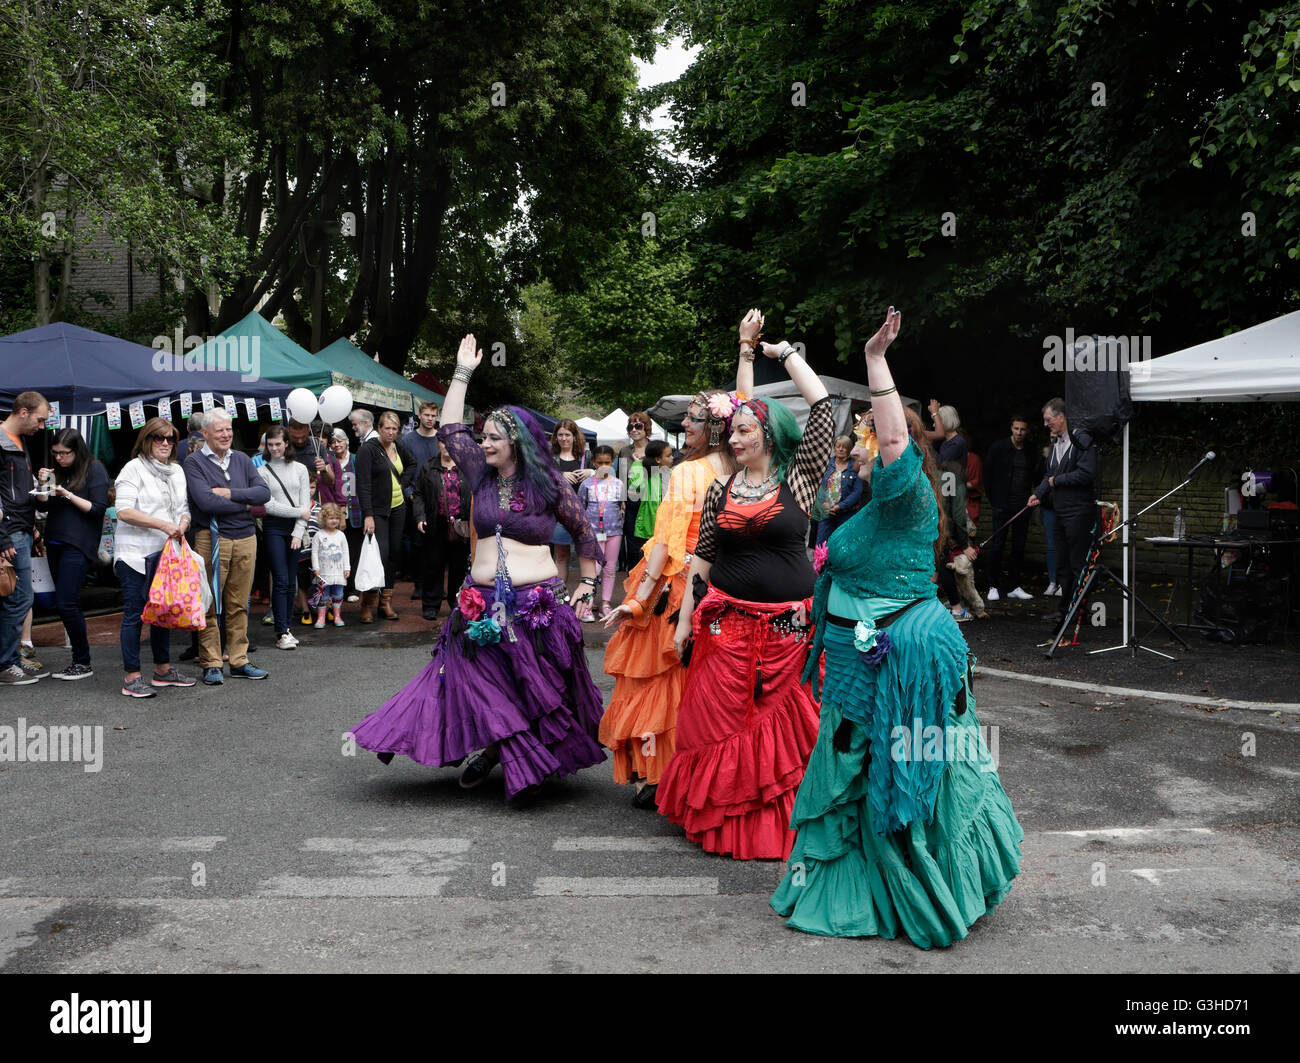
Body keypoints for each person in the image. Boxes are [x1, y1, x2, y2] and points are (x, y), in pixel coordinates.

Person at [771, 307, 1023, 947]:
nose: (859, 443)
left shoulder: (902, 491)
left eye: (870, 437)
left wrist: (876, 362)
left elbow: (888, 441)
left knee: (906, 764)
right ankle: (860, 882)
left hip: (897, 654)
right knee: (863, 764)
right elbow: (824, 413)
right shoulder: (856, 505)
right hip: (856, 657)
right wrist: (786, 358)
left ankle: (920, 886)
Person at [347, 334, 606, 802]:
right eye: (483, 436)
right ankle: (498, 750)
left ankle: (509, 755)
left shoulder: (548, 483)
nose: (482, 442)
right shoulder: (480, 475)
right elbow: (449, 428)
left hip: (536, 604)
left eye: (492, 437)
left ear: (516, 443)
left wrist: (587, 583)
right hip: (479, 602)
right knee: (482, 685)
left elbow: (584, 531)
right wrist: (462, 372)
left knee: (531, 688)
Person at [658, 318, 833, 860]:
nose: (733, 437)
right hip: (725, 621)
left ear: (769, 435)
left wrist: (779, 352)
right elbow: (703, 559)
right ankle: (722, 819)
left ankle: (779, 821)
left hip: (787, 625)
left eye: (743, 430)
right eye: (730, 431)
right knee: (718, 719)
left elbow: (822, 409)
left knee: (778, 721)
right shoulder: (720, 488)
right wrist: (686, 620)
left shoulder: (799, 479)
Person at [601, 316, 754, 808]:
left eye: (690, 418)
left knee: (661, 677)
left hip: (678, 586)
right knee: (699, 681)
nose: (682, 424)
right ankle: (696, 772)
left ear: (710, 427)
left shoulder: (688, 473)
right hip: (724, 583)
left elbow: (665, 545)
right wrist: (745, 349)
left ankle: (659, 773)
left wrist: (639, 601)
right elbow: (746, 410)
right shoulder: (737, 465)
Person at [184, 407, 271, 684]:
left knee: (238, 603)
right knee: (209, 603)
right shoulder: (194, 463)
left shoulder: (243, 459)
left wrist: (231, 495)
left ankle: (239, 660)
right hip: (211, 538)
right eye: (220, 430)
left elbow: (264, 494)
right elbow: (206, 502)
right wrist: (246, 505)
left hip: (245, 537)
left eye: (229, 429)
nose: (226, 434)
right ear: (205, 433)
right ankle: (211, 662)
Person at [113, 418, 197, 697]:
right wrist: (163, 525)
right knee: (135, 615)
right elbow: (123, 510)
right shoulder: (133, 468)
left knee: (163, 613)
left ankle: (162, 670)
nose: (164, 443)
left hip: (165, 555)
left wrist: (182, 523)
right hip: (134, 554)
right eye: (158, 438)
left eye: (170, 439)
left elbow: (183, 508)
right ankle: (131, 677)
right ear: (146, 440)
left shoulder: (176, 471)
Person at [41, 428, 110, 680]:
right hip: (55, 540)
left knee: (66, 602)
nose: (59, 458)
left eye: (64, 453)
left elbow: (98, 509)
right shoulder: (58, 471)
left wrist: (66, 493)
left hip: (79, 543)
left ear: (77, 450)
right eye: (55, 453)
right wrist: (45, 485)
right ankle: (80, 661)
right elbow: (45, 504)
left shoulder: (94, 469)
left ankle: (82, 661)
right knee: (64, 602)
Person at [1028, 397, 1098, 623]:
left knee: (1078, 563)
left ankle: (1080, 611)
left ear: (1061, 417)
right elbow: (1049, 474)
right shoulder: (1056, 443)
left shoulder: (1082, 440)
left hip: (1079, 512)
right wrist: (1037, 494)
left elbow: (1087, 474)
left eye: (1049, 420)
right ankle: (1064, 609)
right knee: (1062, 563)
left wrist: (1057, 481)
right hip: (1060, 511)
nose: (1046, 424)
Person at [0, 391, 52, 686]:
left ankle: (11, 659)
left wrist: (31, 523)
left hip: (19, 529)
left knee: (18, 598)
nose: (41, 426)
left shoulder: (20, 444)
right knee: (19, 598)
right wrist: (3, 537)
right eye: (40, 419)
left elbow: (18, 493)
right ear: (22, 412)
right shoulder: (3, 442)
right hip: (10, 532)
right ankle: (5, 662)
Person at [354, 410, 415, 622]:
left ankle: (385, 602)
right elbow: (362, 485)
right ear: (379, 428)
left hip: (398, 508)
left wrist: (403, 483)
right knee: (377, 555)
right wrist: (368, 515)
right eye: (387, 428)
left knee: (393, 555)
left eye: (394, 429)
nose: (391, 432)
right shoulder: (367, 450)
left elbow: (412, 464)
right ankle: (367, 605)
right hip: (377, 511)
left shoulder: (398, 447)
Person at [257, 425, 311, 650]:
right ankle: (281, 631)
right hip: (273, 528)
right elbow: (268, 506)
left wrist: (298, 531)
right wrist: (298, 512)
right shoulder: (262, 471)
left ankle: (287, 627)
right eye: (270, 444)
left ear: (287, 443)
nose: (275, 448)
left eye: (278, 444)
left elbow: (305, 503)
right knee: (280, 579)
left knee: (291, 580)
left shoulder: (300, 469)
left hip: (295, 528)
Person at [411, 438, 471, 621]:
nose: (447, 446)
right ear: (438, 444)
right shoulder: (429, 466)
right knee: (433, 565)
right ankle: (431, 605)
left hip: (461, 525)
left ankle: (456, 602)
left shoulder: (466, 466)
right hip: (435, 522)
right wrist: (420, 517)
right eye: (443, 442)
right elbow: (419, 494)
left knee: (459, 567)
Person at [983, 414, 1040, 602]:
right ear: (1011, 428)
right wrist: (996, 501)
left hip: (1023, 505)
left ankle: (1014, 585)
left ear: (1027, 431)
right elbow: (987, 477)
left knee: (1019, 546)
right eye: (1016, 428)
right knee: (997, 544)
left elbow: (1036, 476)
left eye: (1023, 429)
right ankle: (992, 585)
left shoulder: (1031, 451)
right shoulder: (998, 448)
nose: (1019, 433)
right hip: (1002, 504)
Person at [577, 445, 625, 620]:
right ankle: (587, 604)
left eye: (607, 462)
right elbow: (581, 507)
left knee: (610, 568)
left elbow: (621, 506)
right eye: (600, 462)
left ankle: (605, 602)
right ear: (594, 463)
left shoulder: (618, 483)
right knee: (594, 569)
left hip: (614, 531)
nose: (604, 466)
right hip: (593, 531)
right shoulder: (587, 484)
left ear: (613, 462)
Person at [330, 428, 364, 602]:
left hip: (356, 513)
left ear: (346, 442)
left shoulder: (357, 460)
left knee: (354, 551)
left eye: (340, 441)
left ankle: (353, 588)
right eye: (333, 442)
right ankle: (339, 588)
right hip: (334, 515)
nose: (336, 445)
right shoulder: (329, 462)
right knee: (336, 551)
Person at [617, 411, 652, 570]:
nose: (634, 430)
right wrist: (622, 501)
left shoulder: (655, 450)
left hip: (651, 503)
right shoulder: (625, 451)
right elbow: (621, 478)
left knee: (650, 545)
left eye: (638, 425)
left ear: (646, 428)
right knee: (632, 546)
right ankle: (632, 586)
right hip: (631, 503)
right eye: (631, 426)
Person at [815, 435, 865, 546]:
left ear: (850, 449)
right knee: (821, 544)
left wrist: (840, 506)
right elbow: (818, 487)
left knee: (843, 544)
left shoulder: (855, 466)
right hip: (826, 512)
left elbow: (857, 492)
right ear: (834, 448)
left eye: (844, 447)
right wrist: (823, 504)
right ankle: (821, 564)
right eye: (838, 446)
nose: (841, 449)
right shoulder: (826, 464)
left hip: (846, 514)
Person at [311, 503, 351, 626]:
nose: (334, 521)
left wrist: (347, 567)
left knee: (338, 594)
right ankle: (321, 617)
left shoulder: (341, 535)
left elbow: (345, 552)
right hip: (323, 572)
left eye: (336, 518)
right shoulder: (319, 535)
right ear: (323, 519)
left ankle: (337, 616)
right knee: (323, 595)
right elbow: (314, 553)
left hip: (338, 573)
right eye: (331, 518)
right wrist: (316, 567)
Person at [632, 440, 673, 545]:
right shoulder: (646, 473)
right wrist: (637, 463)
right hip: (649, 527)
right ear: (658, 459)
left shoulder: (672, 473)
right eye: (668, 456)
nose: (672, 458)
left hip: (667, 526)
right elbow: (637, 486)